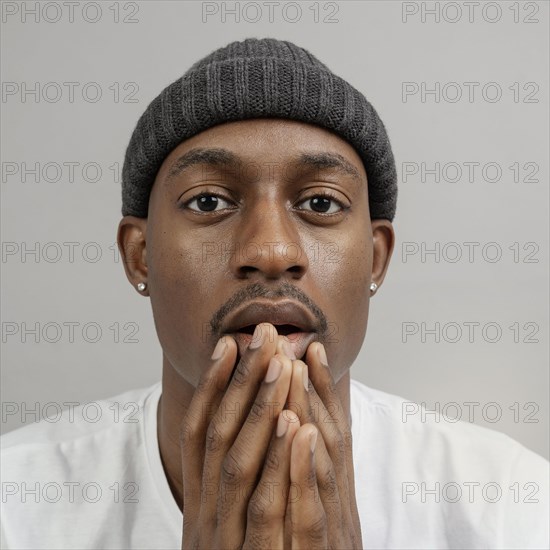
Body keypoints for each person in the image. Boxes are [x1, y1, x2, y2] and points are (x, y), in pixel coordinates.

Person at [1, 37, 547, 550]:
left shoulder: (508, 503)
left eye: (322, 203)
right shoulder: (17, 501)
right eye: (209, 202)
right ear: (140, 255)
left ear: (375, 259)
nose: (269, 250)